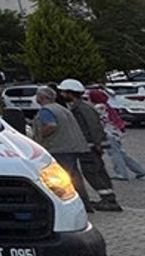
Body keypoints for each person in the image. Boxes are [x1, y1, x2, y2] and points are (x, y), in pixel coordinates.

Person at [59, 79, 122, 211]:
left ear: (71, 93)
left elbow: (93, 126)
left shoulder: (82, 109)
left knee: (93, 172)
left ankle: (108, 200)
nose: (62, 94)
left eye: (64, 92)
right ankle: (108, 198)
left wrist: (98, 144)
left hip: (89, 147)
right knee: (96, 171)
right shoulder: (78, 107)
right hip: (88, 146)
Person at [32, 85, 95, 210]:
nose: (36, 98)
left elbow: (51, 125)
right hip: (72, 146)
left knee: (60, 177)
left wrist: (39, 136)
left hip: (58, 147)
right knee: (74, 176)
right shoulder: (62, 108)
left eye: (37, 96)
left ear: (42, 98)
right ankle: (84, 203)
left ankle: (65, 204)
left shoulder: (46, 110)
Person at [87, 87, 145, 181]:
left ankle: (121, 173)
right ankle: (139, 170)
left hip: (109, 133)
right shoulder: (105, 105)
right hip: (115, 131)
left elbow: (96, 121)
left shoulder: (98, 107)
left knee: (115, 154)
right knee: (121, 153)